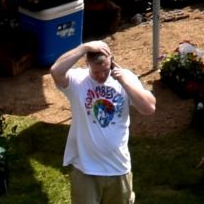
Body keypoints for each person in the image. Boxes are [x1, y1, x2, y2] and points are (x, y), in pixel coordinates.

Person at [50, 38, 154, 204]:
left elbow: (148, 108)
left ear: (111, 61)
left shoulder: (125, 77)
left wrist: (125, 82)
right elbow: (56, 71)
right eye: (96, 72)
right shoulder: (78, 80)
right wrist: (84, 47)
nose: (101, 76)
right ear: (88, 63)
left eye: (105, 71)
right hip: (85, 169)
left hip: (118, 167)